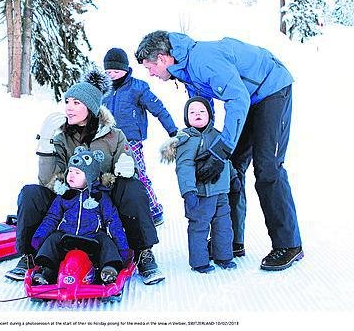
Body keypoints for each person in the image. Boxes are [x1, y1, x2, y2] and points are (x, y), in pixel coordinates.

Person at [135, 30, 303, 271]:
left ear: (162, 58)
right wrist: (198, 145)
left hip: (272, 89)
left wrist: (222, 148)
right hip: (249, 97)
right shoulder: (185, 71)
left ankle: (289, 244)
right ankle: (231, 240)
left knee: (268, 167)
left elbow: (237, 98)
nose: (150, 73)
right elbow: (203, 111)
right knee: (230, 168)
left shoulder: (203, 60)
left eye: (150, 67)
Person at [5, 68, 164, 285]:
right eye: (67, 101)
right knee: (31, 193)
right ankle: (29, 255)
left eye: (76, 102)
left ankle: (143, 252)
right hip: (70, 198)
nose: (69, 107)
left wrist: (128, 168)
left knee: (134, 189)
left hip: (104, 198)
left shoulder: (114, 136)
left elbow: (129, 171)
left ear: (90, 107)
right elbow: (49, 181)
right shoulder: (62, 137)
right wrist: (45, 146)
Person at [30, 147, 129, 285]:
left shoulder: (100, 197)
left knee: (106, 241)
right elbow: (52, 218)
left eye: (77, 172)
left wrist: (122, 248)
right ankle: (46, 271)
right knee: (53, 239)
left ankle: (109, 269)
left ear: (90, 176)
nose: (71, 175)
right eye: (70, 171)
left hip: (92, 238)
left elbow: (112, 221)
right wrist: (39, 237)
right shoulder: (64, 195)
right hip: (67, 237)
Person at [102, 48, 178, 226]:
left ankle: (154, 210)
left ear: (125, 69)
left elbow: (159, 109)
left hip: (130, 140)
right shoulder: (103, 90)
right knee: (109, 175)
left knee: (138, 173)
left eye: (116, 71)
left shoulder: (137, 88)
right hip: (107, 139)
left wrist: (173, 131)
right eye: (108, 72)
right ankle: (115, 210)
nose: (112, 75)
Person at [161, 97, 237, 273]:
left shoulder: (218, 135)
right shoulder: (186, 140)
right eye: (192, 112)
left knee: (224, 225)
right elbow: (184, 167)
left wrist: (233, 178)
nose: (197, 114)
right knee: (199, 227)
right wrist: (188, 191)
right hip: (200, 194)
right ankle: (199, 262)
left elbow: (225, 160)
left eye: (202, 111)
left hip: (221, 193)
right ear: (187, 117)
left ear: (209, 115)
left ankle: (224, 256)